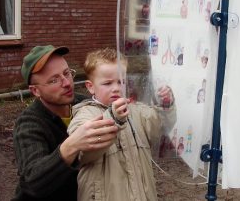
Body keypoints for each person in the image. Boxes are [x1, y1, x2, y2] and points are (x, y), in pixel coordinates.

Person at [67, 48, 176, 200]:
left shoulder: (135, 110)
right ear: (90, 86)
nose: (116, 88)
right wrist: (113, 118)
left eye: (121, 81)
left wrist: (165, 104)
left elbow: (160, 127)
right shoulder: (84, 115)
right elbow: (84, 152)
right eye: (107, 83)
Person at [12, 45, 118, 201]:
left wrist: (164, 102)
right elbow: (32, 183)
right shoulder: (29, 124)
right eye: (54, 80)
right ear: (35, 91)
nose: (67, 83)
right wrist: (72, 145)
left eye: (67, 73)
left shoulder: (86, 104)